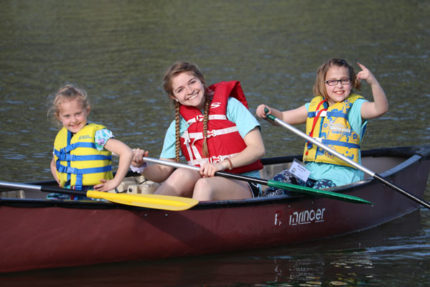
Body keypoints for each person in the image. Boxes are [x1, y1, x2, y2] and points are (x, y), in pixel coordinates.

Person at [131, 61, 265, 201]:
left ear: (202, 80)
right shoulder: (178, 126)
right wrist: (140, 165)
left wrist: (221, 165)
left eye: (192, 82)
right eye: (180, 89)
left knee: (204, 185)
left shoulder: (231, 106)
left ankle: (195, 221)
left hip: (245, 183)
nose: (189, 91)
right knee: (182, 173)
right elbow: (162, 171)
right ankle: (150, 213)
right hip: (205, 182)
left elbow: (257, 148)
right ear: (174, 97)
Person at [256, 58, 388, 194]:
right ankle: (274, 206)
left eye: (344, 80)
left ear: (352, 82)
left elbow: (380, 109)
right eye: (332, 81)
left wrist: (373, 82)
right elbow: (282, 117)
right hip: (310, 172)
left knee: (319, 189)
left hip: (342, 176)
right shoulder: (314, 107)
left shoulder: (356, 107)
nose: (339, 86)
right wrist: (269, 112)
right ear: (323, 84)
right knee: (281, 180)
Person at [48, 84, 133, 198]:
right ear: (59, 117)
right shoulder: (62, 137)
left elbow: (127, 152)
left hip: (96, 192)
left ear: (87, 111)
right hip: (70, 192)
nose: (73, 120)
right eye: (67, 116)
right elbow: (54, 164)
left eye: (78, 114)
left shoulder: (98, 134)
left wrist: (114, 182)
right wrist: (61, 180)